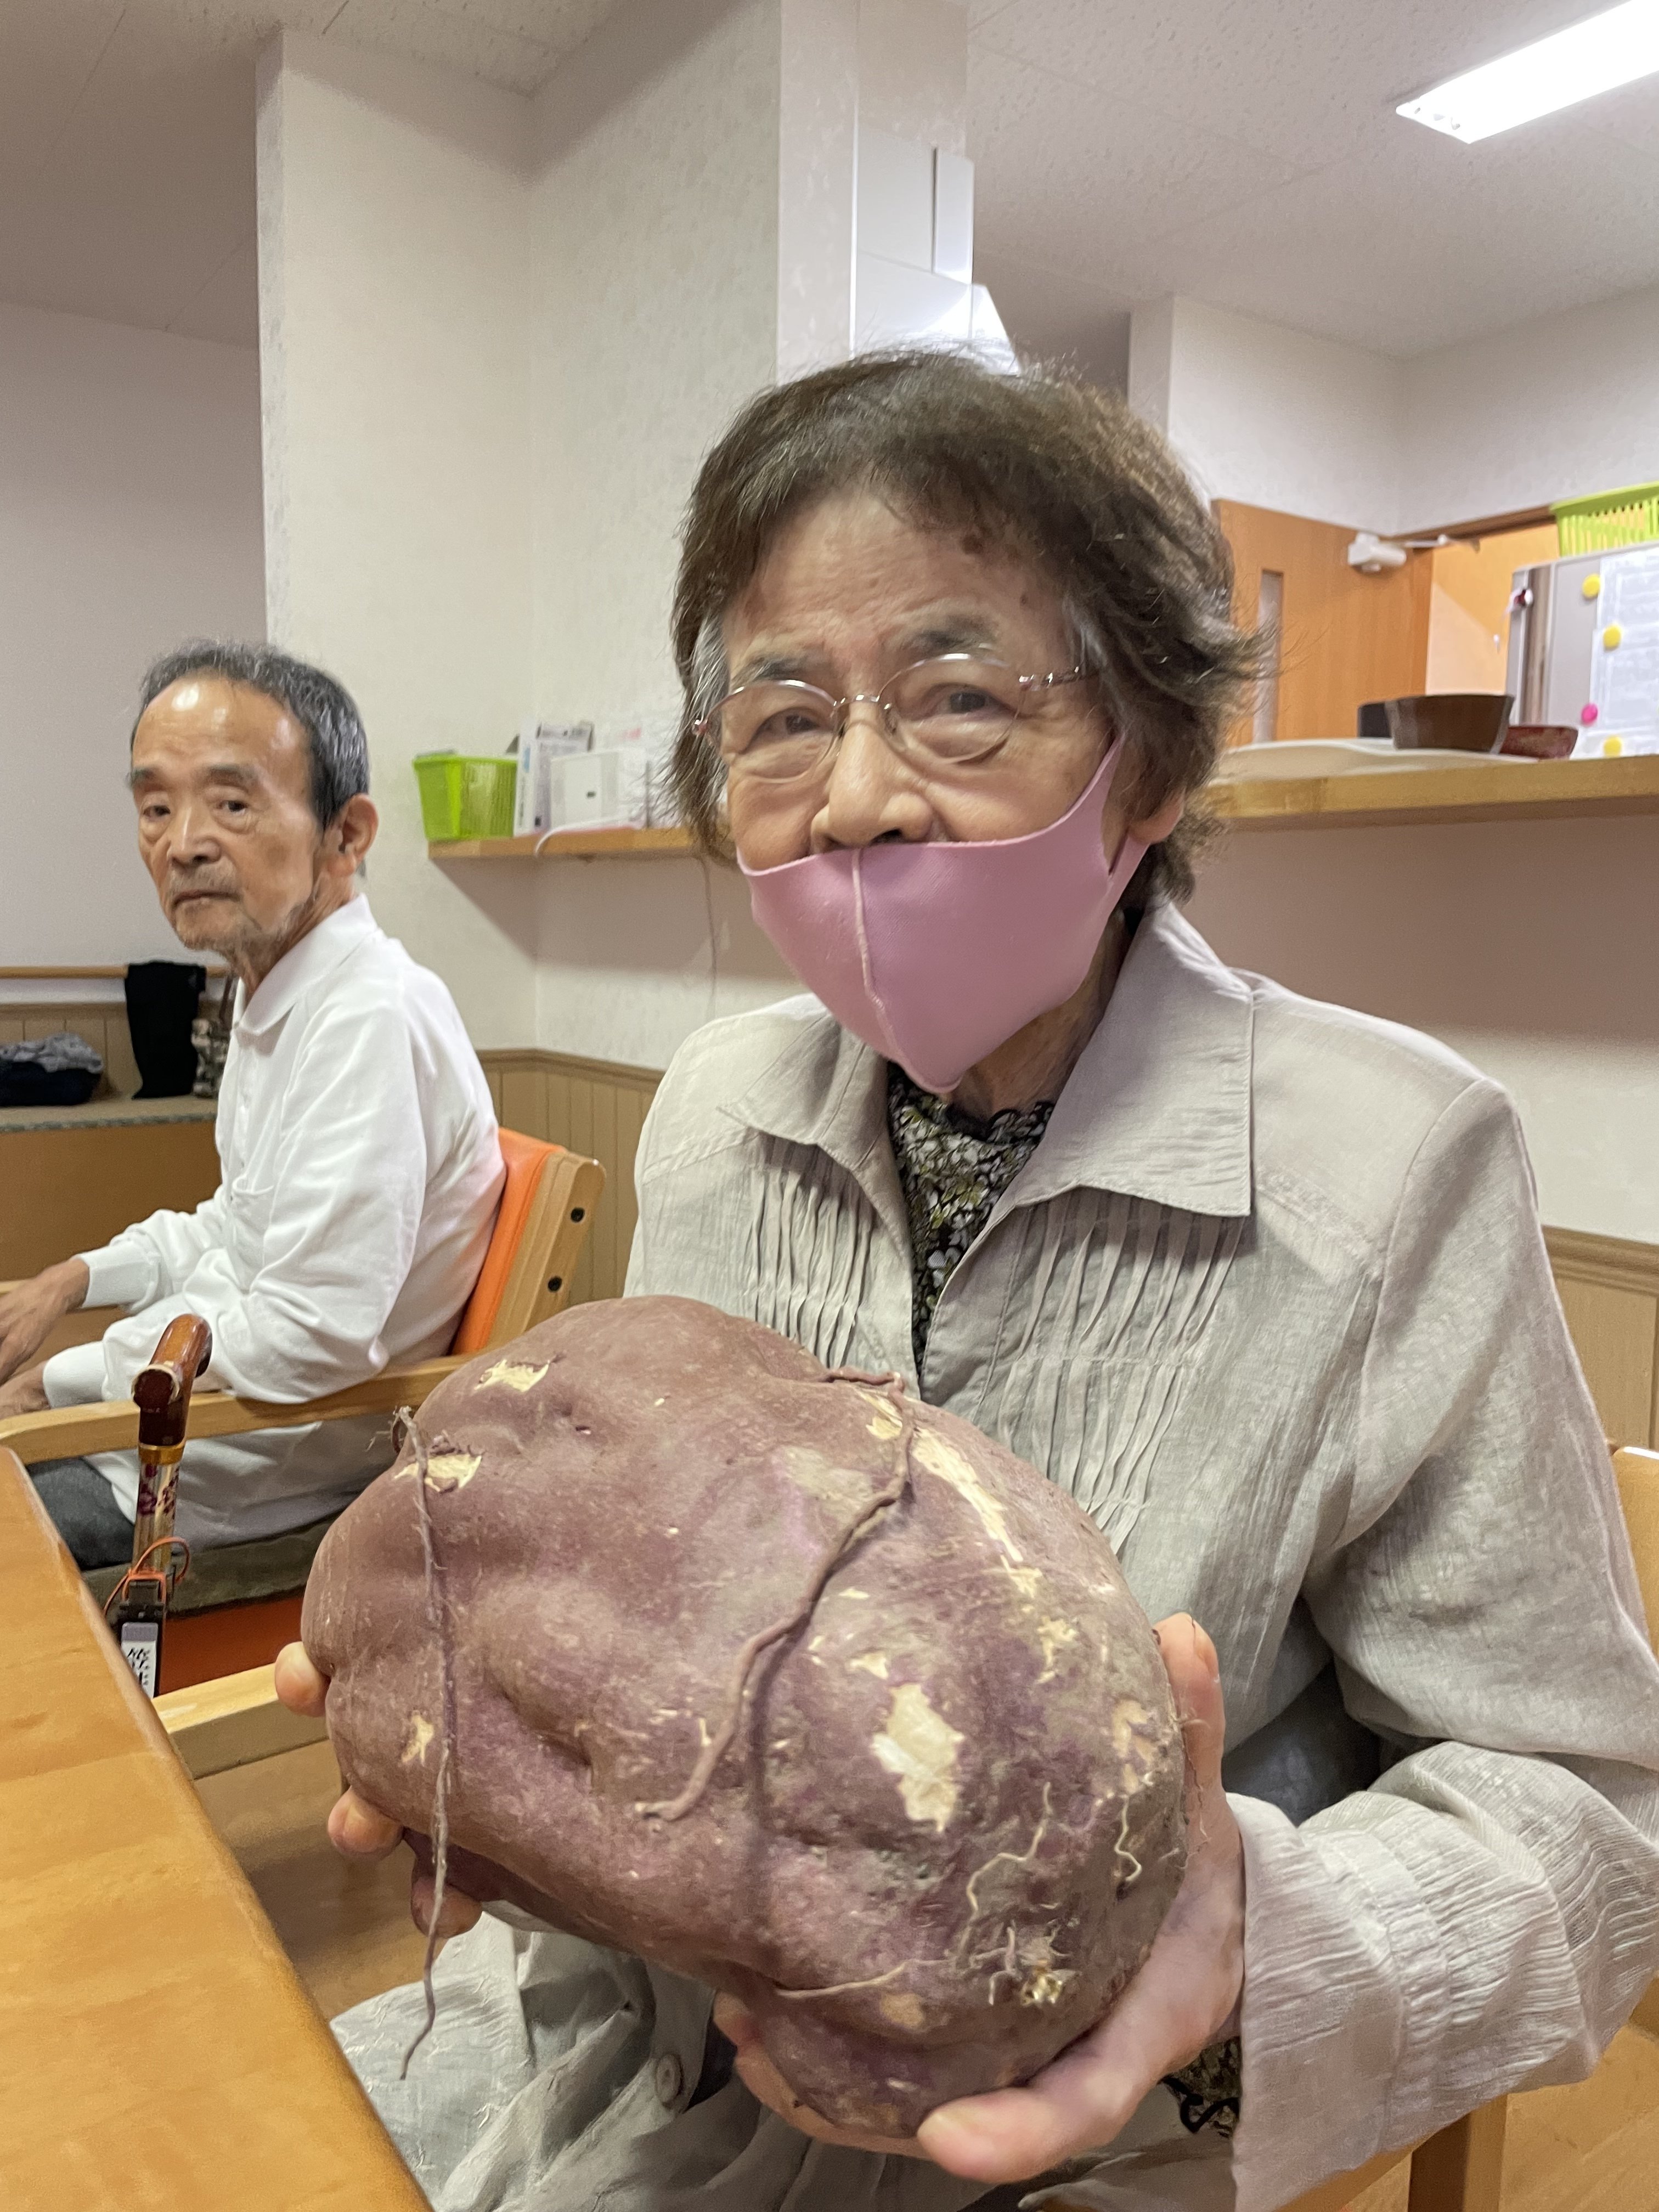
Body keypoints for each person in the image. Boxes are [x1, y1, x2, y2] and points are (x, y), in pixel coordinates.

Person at [277, 354, 1659, 2212]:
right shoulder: (717, 1111)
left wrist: (1240, 1956)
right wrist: (511, 1758)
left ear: (1152, 757)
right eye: (783, 718)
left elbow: (1591, 1820)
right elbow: (627, 1611)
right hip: (619, 2053)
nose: (855, 800)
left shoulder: (1397, 1166)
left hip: (1082, 2146)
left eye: (957, 699)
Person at [0, 643, 503, 1564]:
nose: (183, 843)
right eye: (156, 808)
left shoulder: (370, 1016)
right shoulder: (277, 990)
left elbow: (312, 1336)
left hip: (212, 1477)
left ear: (346, 835)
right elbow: (237, 1226)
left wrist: (58, 1383)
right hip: (167, 1433)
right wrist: (69, 1281)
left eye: (232, 804)